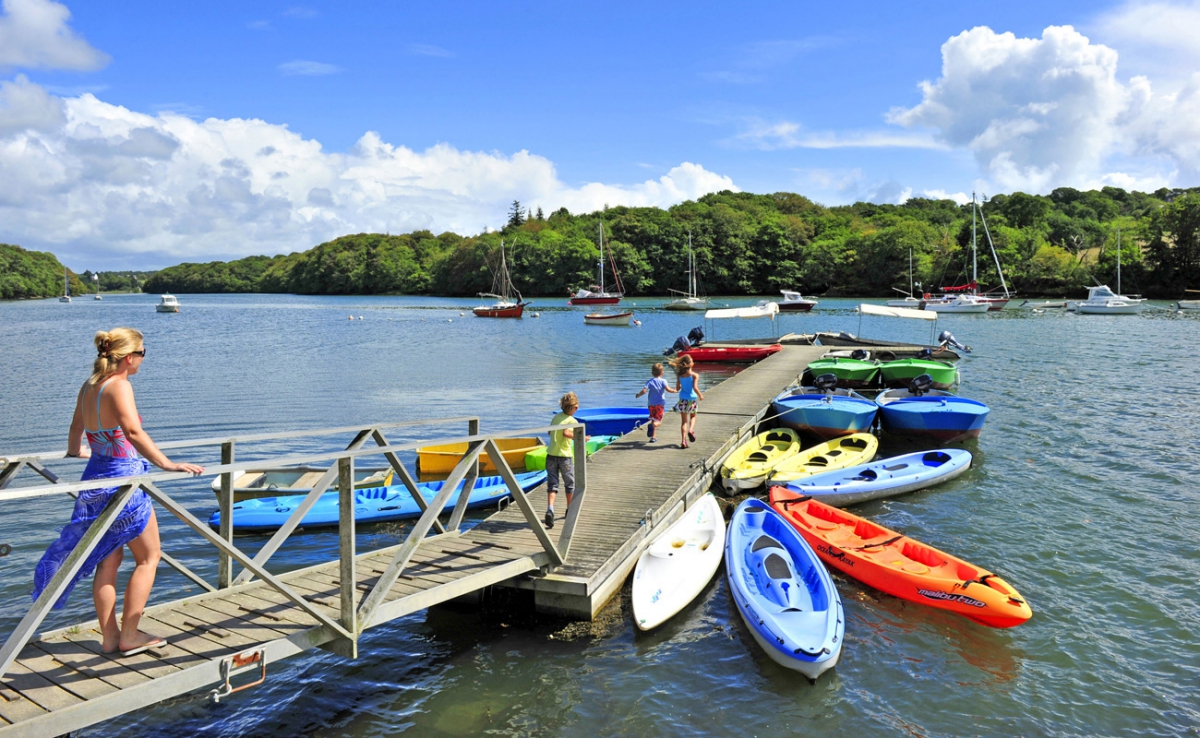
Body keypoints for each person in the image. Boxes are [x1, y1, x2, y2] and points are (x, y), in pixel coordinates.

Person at [32, 328, 204, 657]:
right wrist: (166, 463)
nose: (142, 359)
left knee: (107, 562)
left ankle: (110, 638)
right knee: (149, 557)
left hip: (95, 477)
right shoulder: (120, 386)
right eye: (142, 353)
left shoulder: (90, 386)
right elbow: (132, 431)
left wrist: (76, 452)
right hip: (124, 481)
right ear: (128, 357)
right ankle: (130, 635)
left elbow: (75, 431)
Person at [544, 392, 581, 529]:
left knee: (552, 484)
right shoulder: (572, 421)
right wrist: (581, 437)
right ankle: (569, 509)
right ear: (575, 408)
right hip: (564, 456)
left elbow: (550, 432)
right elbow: (566, 433)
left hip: (551, 455)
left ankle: (550, 509)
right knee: (569, 484)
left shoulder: (556, 417)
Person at [634, 363, 676, 443]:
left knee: (653, 419)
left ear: (652, 373)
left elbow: (644, 391)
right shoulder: (663, 381)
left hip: (651, 404)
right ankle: (653, 427)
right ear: (662, 373)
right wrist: (675, 390)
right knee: (658, 421)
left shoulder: (650, 381)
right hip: (660, 404)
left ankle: (653, 437)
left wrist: (638, 395)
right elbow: (668, 389)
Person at [670, 354, 704, 448]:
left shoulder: (680, 376)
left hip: (682, 399)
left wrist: (674, 389)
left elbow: (677, 388)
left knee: (683, 421)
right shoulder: (694, 375)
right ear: (691, 364)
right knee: (693, 416)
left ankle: (683, 441)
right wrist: (700, 395)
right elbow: (695, 387)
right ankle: (691, 430)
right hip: (692, 399)